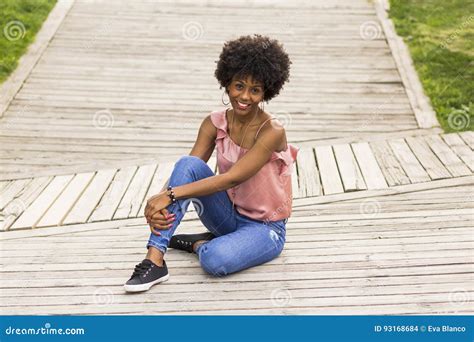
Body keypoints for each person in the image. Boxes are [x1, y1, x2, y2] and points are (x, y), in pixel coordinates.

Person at [124, 34, 298, 292]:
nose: (245, 96)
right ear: (227, 83)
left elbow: (231, 178)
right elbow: (187, 172)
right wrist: (160, 201)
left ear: (267, 91)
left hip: (265, 229)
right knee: (188, 163)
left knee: (215, 260)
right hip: (227, 215)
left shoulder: (271, 131)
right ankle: (155, 259)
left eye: (255, 90)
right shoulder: (214, 122)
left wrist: (169, 196)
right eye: (239, 86)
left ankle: (200, 245)